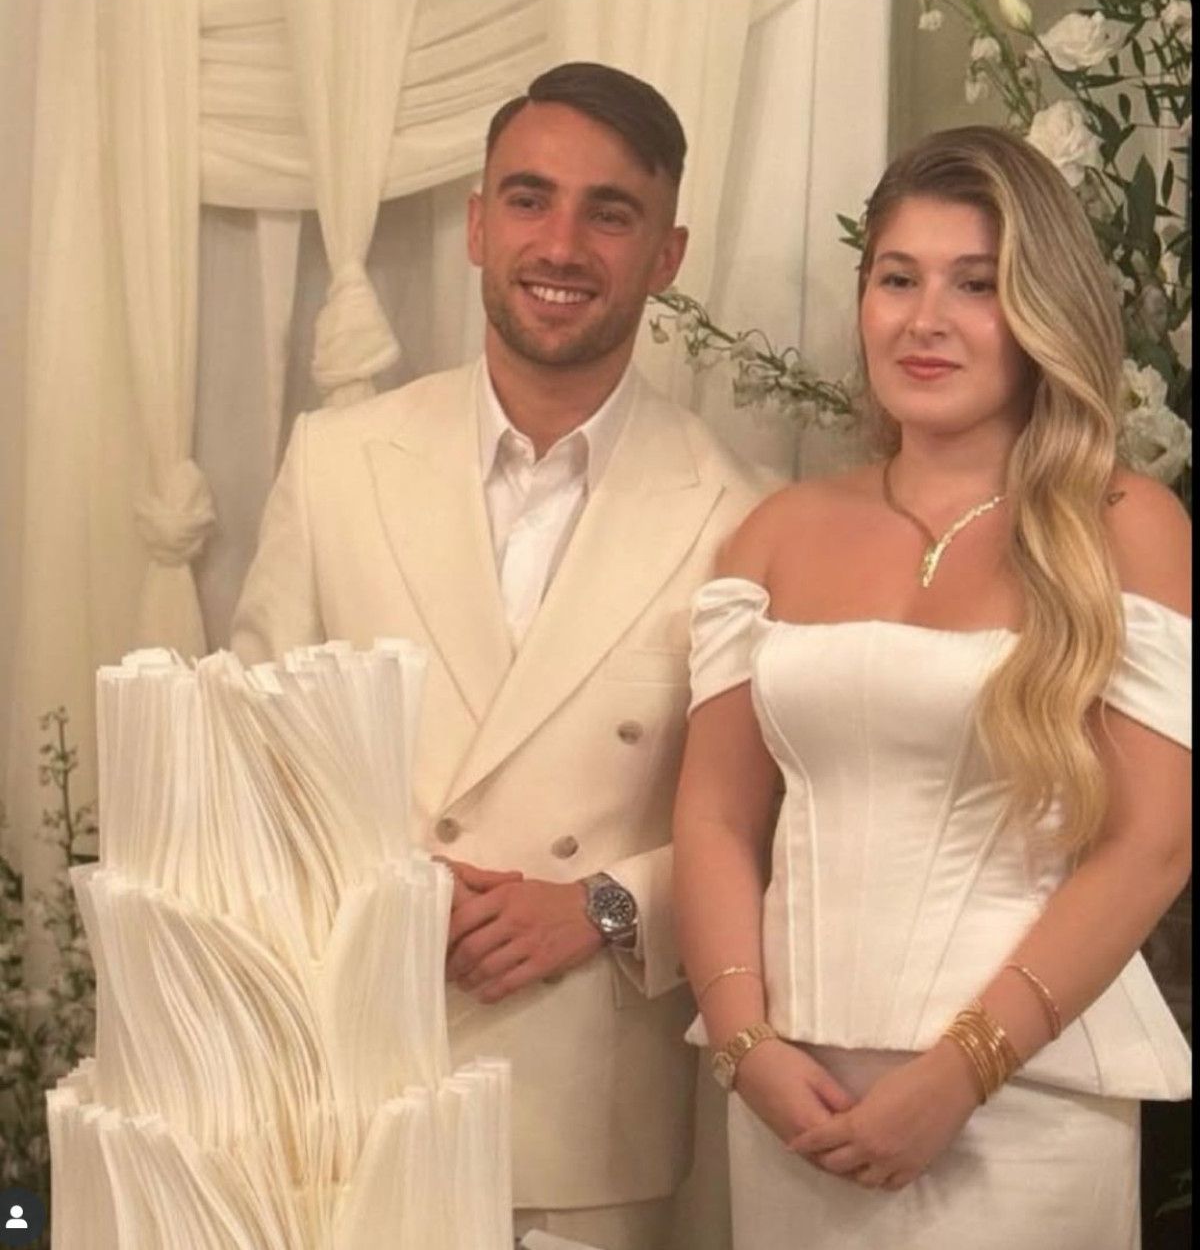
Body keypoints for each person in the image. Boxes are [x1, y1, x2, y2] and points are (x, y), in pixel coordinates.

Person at [233, 61, 761, 1249]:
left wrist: (608, 906)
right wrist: (391, 892)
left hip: (586, 1116)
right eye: (529, 199)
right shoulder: (336, 462)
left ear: (667, 256)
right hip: (347, 1074)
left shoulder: (741, 512)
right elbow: (253, 757)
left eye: (609, 213)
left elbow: (769, 818)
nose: (560, 245)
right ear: (478, 224)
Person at [673, 125, 1191, 1250]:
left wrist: (964, 1070)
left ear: (1042, 309)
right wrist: (745, 1047)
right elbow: (714, 818)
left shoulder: (1124, 523)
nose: (925, 319)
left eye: (977, 284)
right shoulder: (774, 532)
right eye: (898, 279)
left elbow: (1153, 843)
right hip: (791, 1101)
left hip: (1026, 1106)